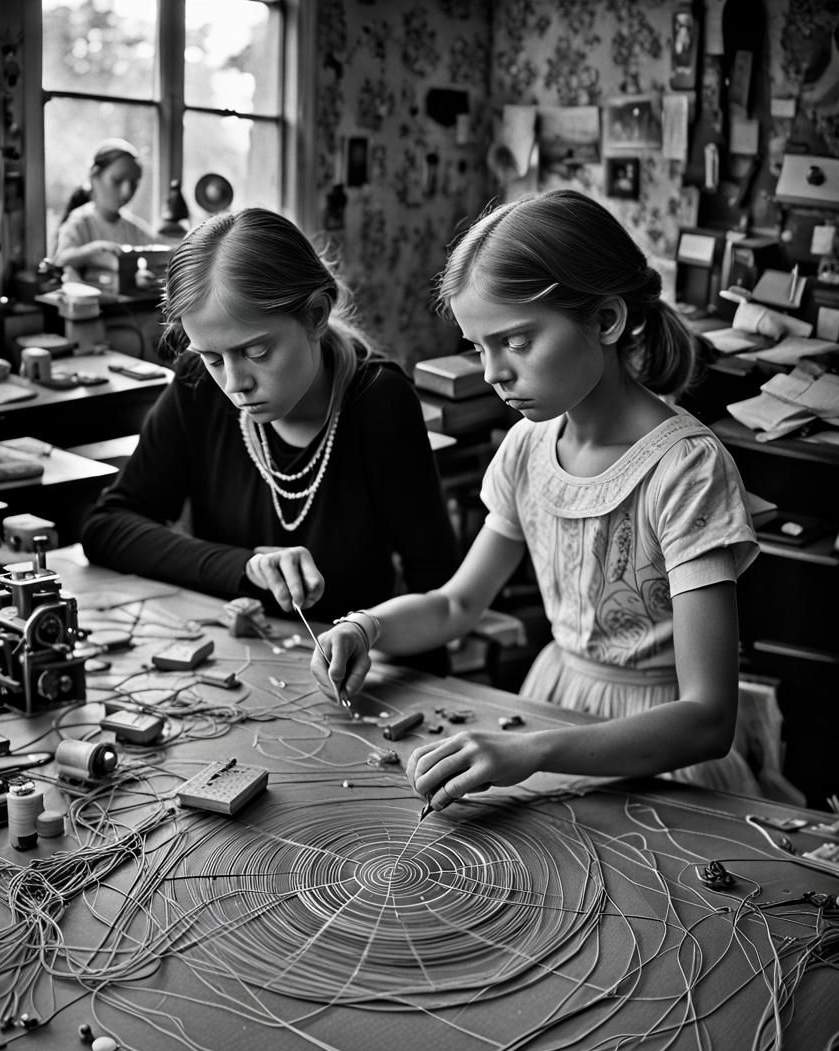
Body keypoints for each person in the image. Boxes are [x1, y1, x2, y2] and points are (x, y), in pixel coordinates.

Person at [312, 189, 762, 806]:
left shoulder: (686, 469)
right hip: (553, 702)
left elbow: (708, 719)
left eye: (516, 342)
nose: (493, 371)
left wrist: (534, 751)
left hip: (659, 749)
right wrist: (365, 628)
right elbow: (454, 606)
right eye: (479, 346)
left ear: (605, 321)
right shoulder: (527, 448)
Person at [80, 206, 459, 629]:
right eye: (212, 358)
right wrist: (244, 568)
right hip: (231, 653)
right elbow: (108, 528)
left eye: (256, 352)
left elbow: (438, 587)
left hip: (346, 666)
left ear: (315, 316)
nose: (235, 383)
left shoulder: (378, 402)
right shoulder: (198, 385)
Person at [52, 138, 160, 294]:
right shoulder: (79, 223)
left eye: (134, 184)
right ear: (94, 177)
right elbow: (60, 260)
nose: (127, 192)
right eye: (117, 181)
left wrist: (145, 277)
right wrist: (91, 252)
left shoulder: (136, 230)